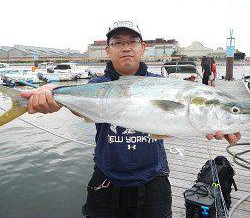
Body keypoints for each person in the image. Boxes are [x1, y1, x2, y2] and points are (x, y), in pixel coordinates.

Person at [20, 21, 241, 218]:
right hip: (106, 182)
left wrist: (217, 123)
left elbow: (183, 118)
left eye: (132, 41)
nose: (126, 47)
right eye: (117, 42)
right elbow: (82, 108)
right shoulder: (96, 84)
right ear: (108, 50)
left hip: (154, 182)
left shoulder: (162, 85)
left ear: (142, 47)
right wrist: (53, 95)